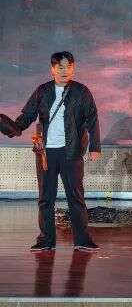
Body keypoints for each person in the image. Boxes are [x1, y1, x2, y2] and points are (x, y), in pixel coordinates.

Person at [10, 52, 101, 253]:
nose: (65, 71)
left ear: (73, 68)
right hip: (46, 153)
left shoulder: (81, 92)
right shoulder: (43, 91)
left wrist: (95, 147)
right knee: (45, 198)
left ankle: (82, 240)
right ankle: (46, 241)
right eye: (60, 67)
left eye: (69, 67)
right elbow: (28, 115)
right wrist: (13, 128)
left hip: (72, 151)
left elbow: (92, 119)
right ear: (53, 69)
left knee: (76, 198)